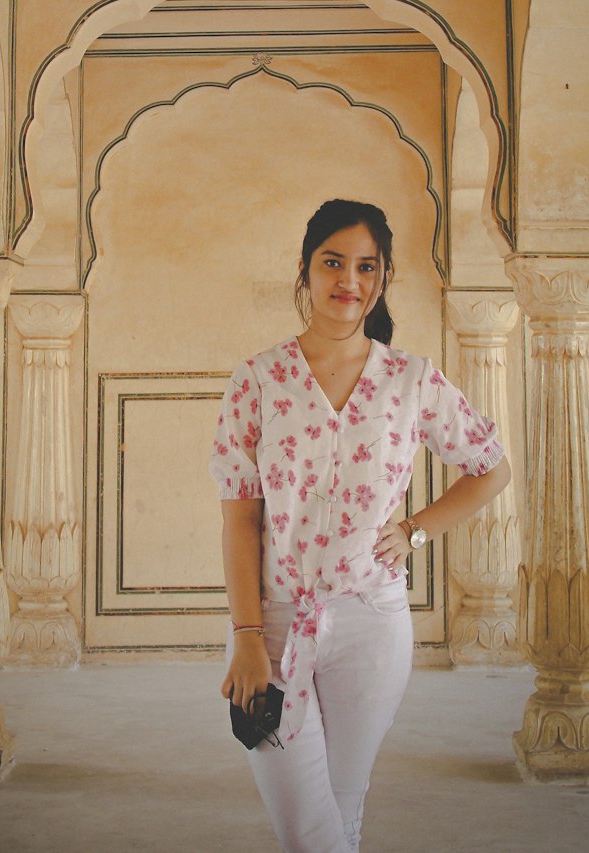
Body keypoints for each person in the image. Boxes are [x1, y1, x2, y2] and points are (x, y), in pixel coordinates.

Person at [209, 198, 511, 853]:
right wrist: (247, 635)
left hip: (373, 624)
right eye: (333, 262)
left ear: (383, 276)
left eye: (366, 266)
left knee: (342, 813)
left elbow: (491, 468)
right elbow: (240, 520)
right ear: (307, 269)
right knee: (307, 825)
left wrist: (418, 528)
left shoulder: (410, 380)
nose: (349, 279)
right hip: (277, 623)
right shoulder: (258, 380)